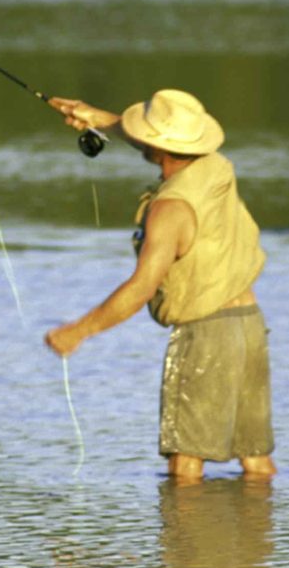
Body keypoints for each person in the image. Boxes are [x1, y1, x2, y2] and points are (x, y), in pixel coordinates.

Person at [44, 89, 276, 482]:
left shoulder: (169, 210)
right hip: (249, 325)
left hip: (207, 333)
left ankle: (183, 544)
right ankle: (254, 542)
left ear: (158, 147)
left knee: (184, 466)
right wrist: (95, 116)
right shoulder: (217, 166)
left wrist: (78, 331)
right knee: (256, 462)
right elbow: (157, 142)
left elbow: (141, 287)